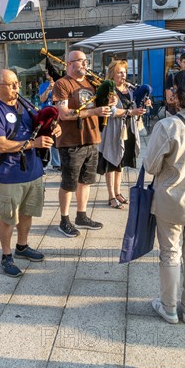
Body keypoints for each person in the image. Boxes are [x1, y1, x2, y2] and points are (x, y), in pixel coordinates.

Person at [143, 69, 185, 325]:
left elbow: (150, 166)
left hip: (171, 198)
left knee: (170, 252)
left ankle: (168, 307)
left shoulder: (167, 126)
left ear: (180, 92)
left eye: (173, 87)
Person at [0, 69, 59, 277]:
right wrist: (33, 143)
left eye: (17, 83)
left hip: (33, 170)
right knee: (9, 218)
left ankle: (22, 246)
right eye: (11, 84)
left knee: (27, 212)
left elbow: (39, 125)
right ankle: (6, 255)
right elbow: (1, 145)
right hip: (10, 174)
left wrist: (53, 129)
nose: (17, 87)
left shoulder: (25, 104)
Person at [52, 50, 112, 237]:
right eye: (81, 61)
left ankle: (81, 216)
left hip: (91, 139)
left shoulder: (91, 83)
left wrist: (109, 101)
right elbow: (64, 113)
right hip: (71, 141)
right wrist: (94, 113)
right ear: (69, 63)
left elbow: (99, 105)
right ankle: (64, 220)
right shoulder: (62, 84)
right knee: (69, 183)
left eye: (86, 61)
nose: (85, 64)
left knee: (85, 182)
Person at [97, 60, 146, 209]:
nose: (123, 74)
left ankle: (118, 192)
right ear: (112, 74)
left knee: (121, 163)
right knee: (112, 163)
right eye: (119, 72)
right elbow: (110, 111)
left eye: (124, 71)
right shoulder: (108, 89)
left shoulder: (129, 88)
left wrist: (144, 104)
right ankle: (111, 195)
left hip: (128, 129)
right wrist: (131, 112)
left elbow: (134, 104)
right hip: (113, 130)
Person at [39, 70, 61, 171]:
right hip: (45, 113)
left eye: (49, 73)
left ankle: (57, 162)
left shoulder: (60, 83)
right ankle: (44, 160)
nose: (48, 75)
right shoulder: (44, 85)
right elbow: (42, 99)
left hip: (57, 113)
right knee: (46, 137)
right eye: (47, 73)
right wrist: (48, 89)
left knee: (56, 138)